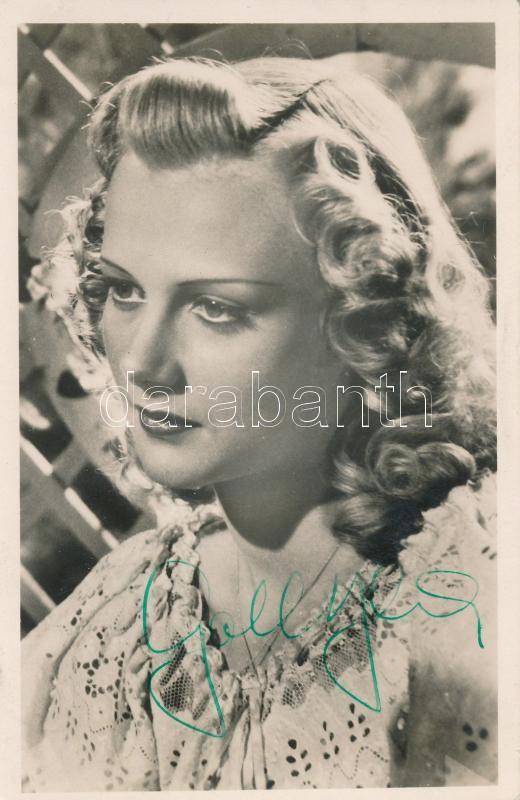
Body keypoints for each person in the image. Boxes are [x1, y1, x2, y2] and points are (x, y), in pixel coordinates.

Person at [22, 56, 497, 791]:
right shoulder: (119, 608)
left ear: (367, 316)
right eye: (123, 291)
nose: (143, 362)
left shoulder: (471, 602)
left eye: (217, 307)